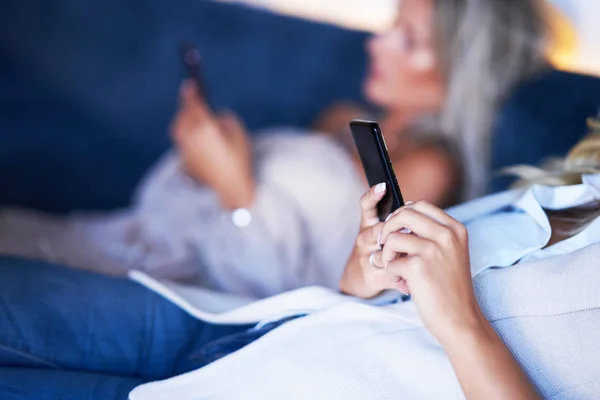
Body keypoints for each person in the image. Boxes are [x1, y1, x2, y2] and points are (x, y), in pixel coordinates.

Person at [1, 121, 600, 400]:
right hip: (238, 326)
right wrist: (362, 275)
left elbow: (452, 326)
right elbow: (379, 309)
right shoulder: (577, 194)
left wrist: (463, 325)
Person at [0, 0, 553, 297]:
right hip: (132, 230)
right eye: (391, 25)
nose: (376, 43)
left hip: (188, 280)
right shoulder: (341, 118)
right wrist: (207, 154)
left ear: (460, 70)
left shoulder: (428, 167)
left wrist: (232, 183)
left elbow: (324, 282)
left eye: (406, 39)